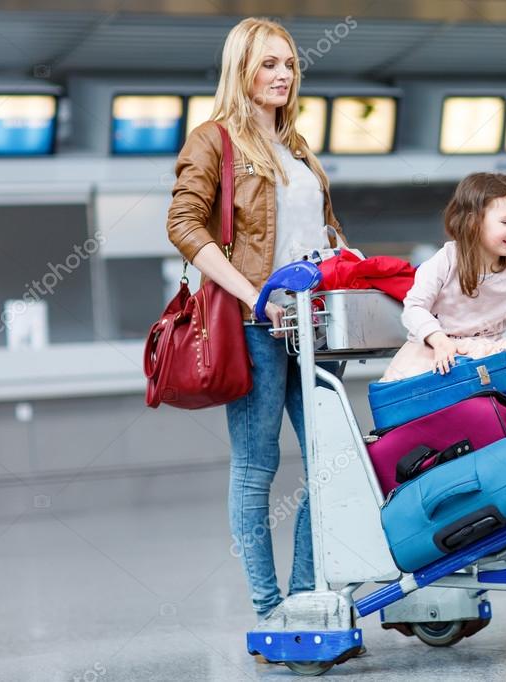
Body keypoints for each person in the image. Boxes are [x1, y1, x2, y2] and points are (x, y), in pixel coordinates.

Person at [165, 17, 347, 630]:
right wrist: (254, 296)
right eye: (269, 64)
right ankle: (271, 609)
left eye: (290, 65)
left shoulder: (297, 148)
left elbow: (320, 233)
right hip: (253, 326)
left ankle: (302, 597)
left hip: (315, 327)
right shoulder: (212, 141)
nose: (283, 75)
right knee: (256, 465)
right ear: (241, 68)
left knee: (332, 459)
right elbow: (184, 226)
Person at [383, 172, 506, 381]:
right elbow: (414, 308)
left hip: (484, 365)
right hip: (433, 359)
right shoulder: (446, 260)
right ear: (473, 222)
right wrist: (439, 340)